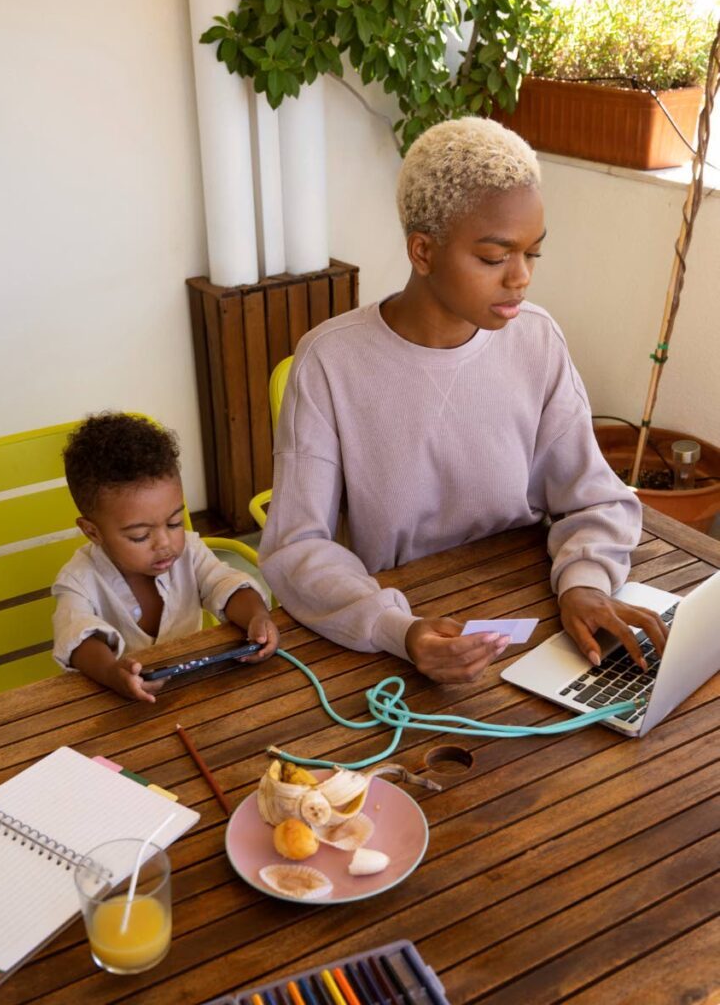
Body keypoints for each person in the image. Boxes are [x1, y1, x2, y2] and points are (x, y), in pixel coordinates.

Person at [259, 116, 668, 684]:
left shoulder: (537, 339)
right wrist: (396, 628)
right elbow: (296, 548)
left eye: (533, 254)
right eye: (495, 258)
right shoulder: (330, 363)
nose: (520, 279)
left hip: (537, 617)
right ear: (423, 251)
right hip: (400, 636)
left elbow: (595, 500)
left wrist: (584, 584)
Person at [53, 413, 278, 702]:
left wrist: (257, 617)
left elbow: (225, 583)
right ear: (92, 532)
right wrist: (112, 673)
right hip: (118, 708)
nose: (165, 543)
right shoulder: (78, 580)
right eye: (140, 536)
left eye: (174, 523)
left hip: (195, 695)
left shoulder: (189, 553)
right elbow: (76, 634)